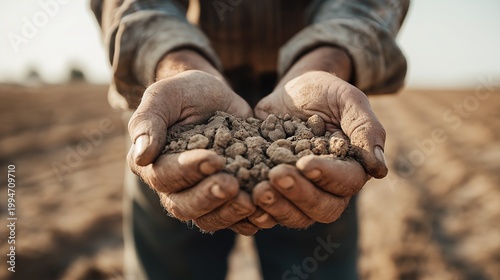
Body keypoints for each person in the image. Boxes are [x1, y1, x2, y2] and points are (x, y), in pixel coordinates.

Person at [91, 0, 409, 279]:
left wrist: (328, 60)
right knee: (170, 265)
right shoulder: (186, 102)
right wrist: (175, 65)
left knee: (315, 258)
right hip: (186, 103)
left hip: (314, 100)